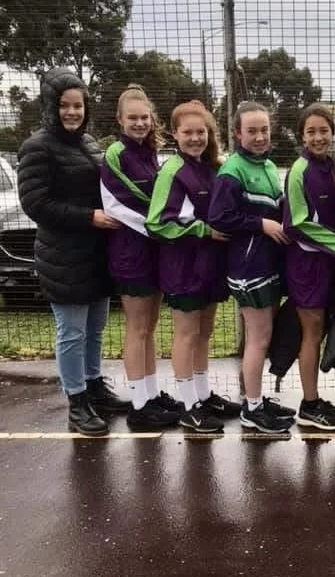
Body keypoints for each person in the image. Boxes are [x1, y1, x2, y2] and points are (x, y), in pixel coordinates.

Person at [17, 67, 129, 436]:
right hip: (63, 256)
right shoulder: (37, 147)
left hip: (95, 254)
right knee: (71, 331)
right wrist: (89, 217)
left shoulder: (90, 143)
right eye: (64, 106)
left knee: (95, 328)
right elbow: (36, 203)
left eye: (78, 105)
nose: (72, 112)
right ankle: (76, 402)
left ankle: (95, 387)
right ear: (51, 106)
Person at [146, 100, 240, 434]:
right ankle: (188, 406)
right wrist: (203, 230)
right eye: (188, 132)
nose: (195, 138)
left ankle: (202, 396)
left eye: (201, 131)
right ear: (175, 134)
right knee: (186, 335)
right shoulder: (172, 171)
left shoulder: (212, 167)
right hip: (183, 267)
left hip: (210, 266)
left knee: (204, 333)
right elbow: (157, 223)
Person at [208, 101, 295, 436]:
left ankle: (256, 400)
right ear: (237, 134)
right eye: (252, 131)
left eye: (264, 130)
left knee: (264, 336)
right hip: (248, 268)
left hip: (268, 264)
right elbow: (219, 217)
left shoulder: (270, 166)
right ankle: (252, 408)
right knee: (258, 340)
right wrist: (260, 224)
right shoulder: (232, 171)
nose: (259, 137)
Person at [100, 85, 182, 431]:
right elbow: (116, 205)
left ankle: (149, 394)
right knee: (136, 328)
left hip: (154, 252)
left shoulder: (151, 154)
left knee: (149, 327)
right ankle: (138, 405)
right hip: (130, 253)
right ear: (120, 119)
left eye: (144, 117)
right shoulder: (114, 155)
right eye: (132, 117)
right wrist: (159, 228)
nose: (139, 123)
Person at [283, 103, 335, 430]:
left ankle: (319, 399)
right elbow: (299, 224)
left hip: (328, 263)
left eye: (324, 131)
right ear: (302, 135)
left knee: (321, 331)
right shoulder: (299, 170)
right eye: (311, 131)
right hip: (307, 266)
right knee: (311, 333)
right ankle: (309, 403)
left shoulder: (330, 166)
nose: (318, 137)